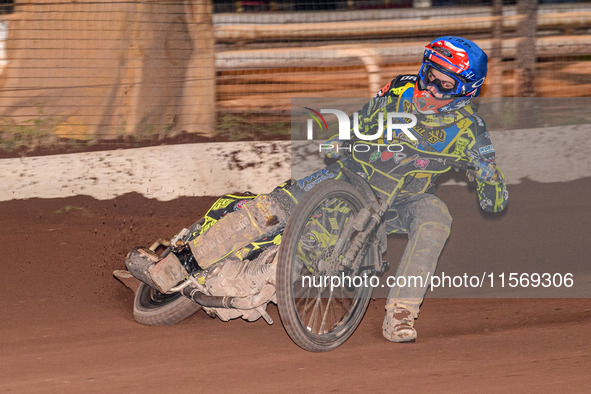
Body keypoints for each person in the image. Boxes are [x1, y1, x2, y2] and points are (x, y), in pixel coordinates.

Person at [127, 36, 508, 343]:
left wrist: (487, 177)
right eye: (428, 74)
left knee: (437, 217)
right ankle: (173, 267)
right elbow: (362, 120)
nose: (428, 88)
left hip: (403, 201)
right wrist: (348, 139)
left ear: (465, 92)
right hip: (350, 177)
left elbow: (495, 200)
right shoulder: (400, 89)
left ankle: (402, 313)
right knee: (270, 209)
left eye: (443, 84)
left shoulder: (470, 132)